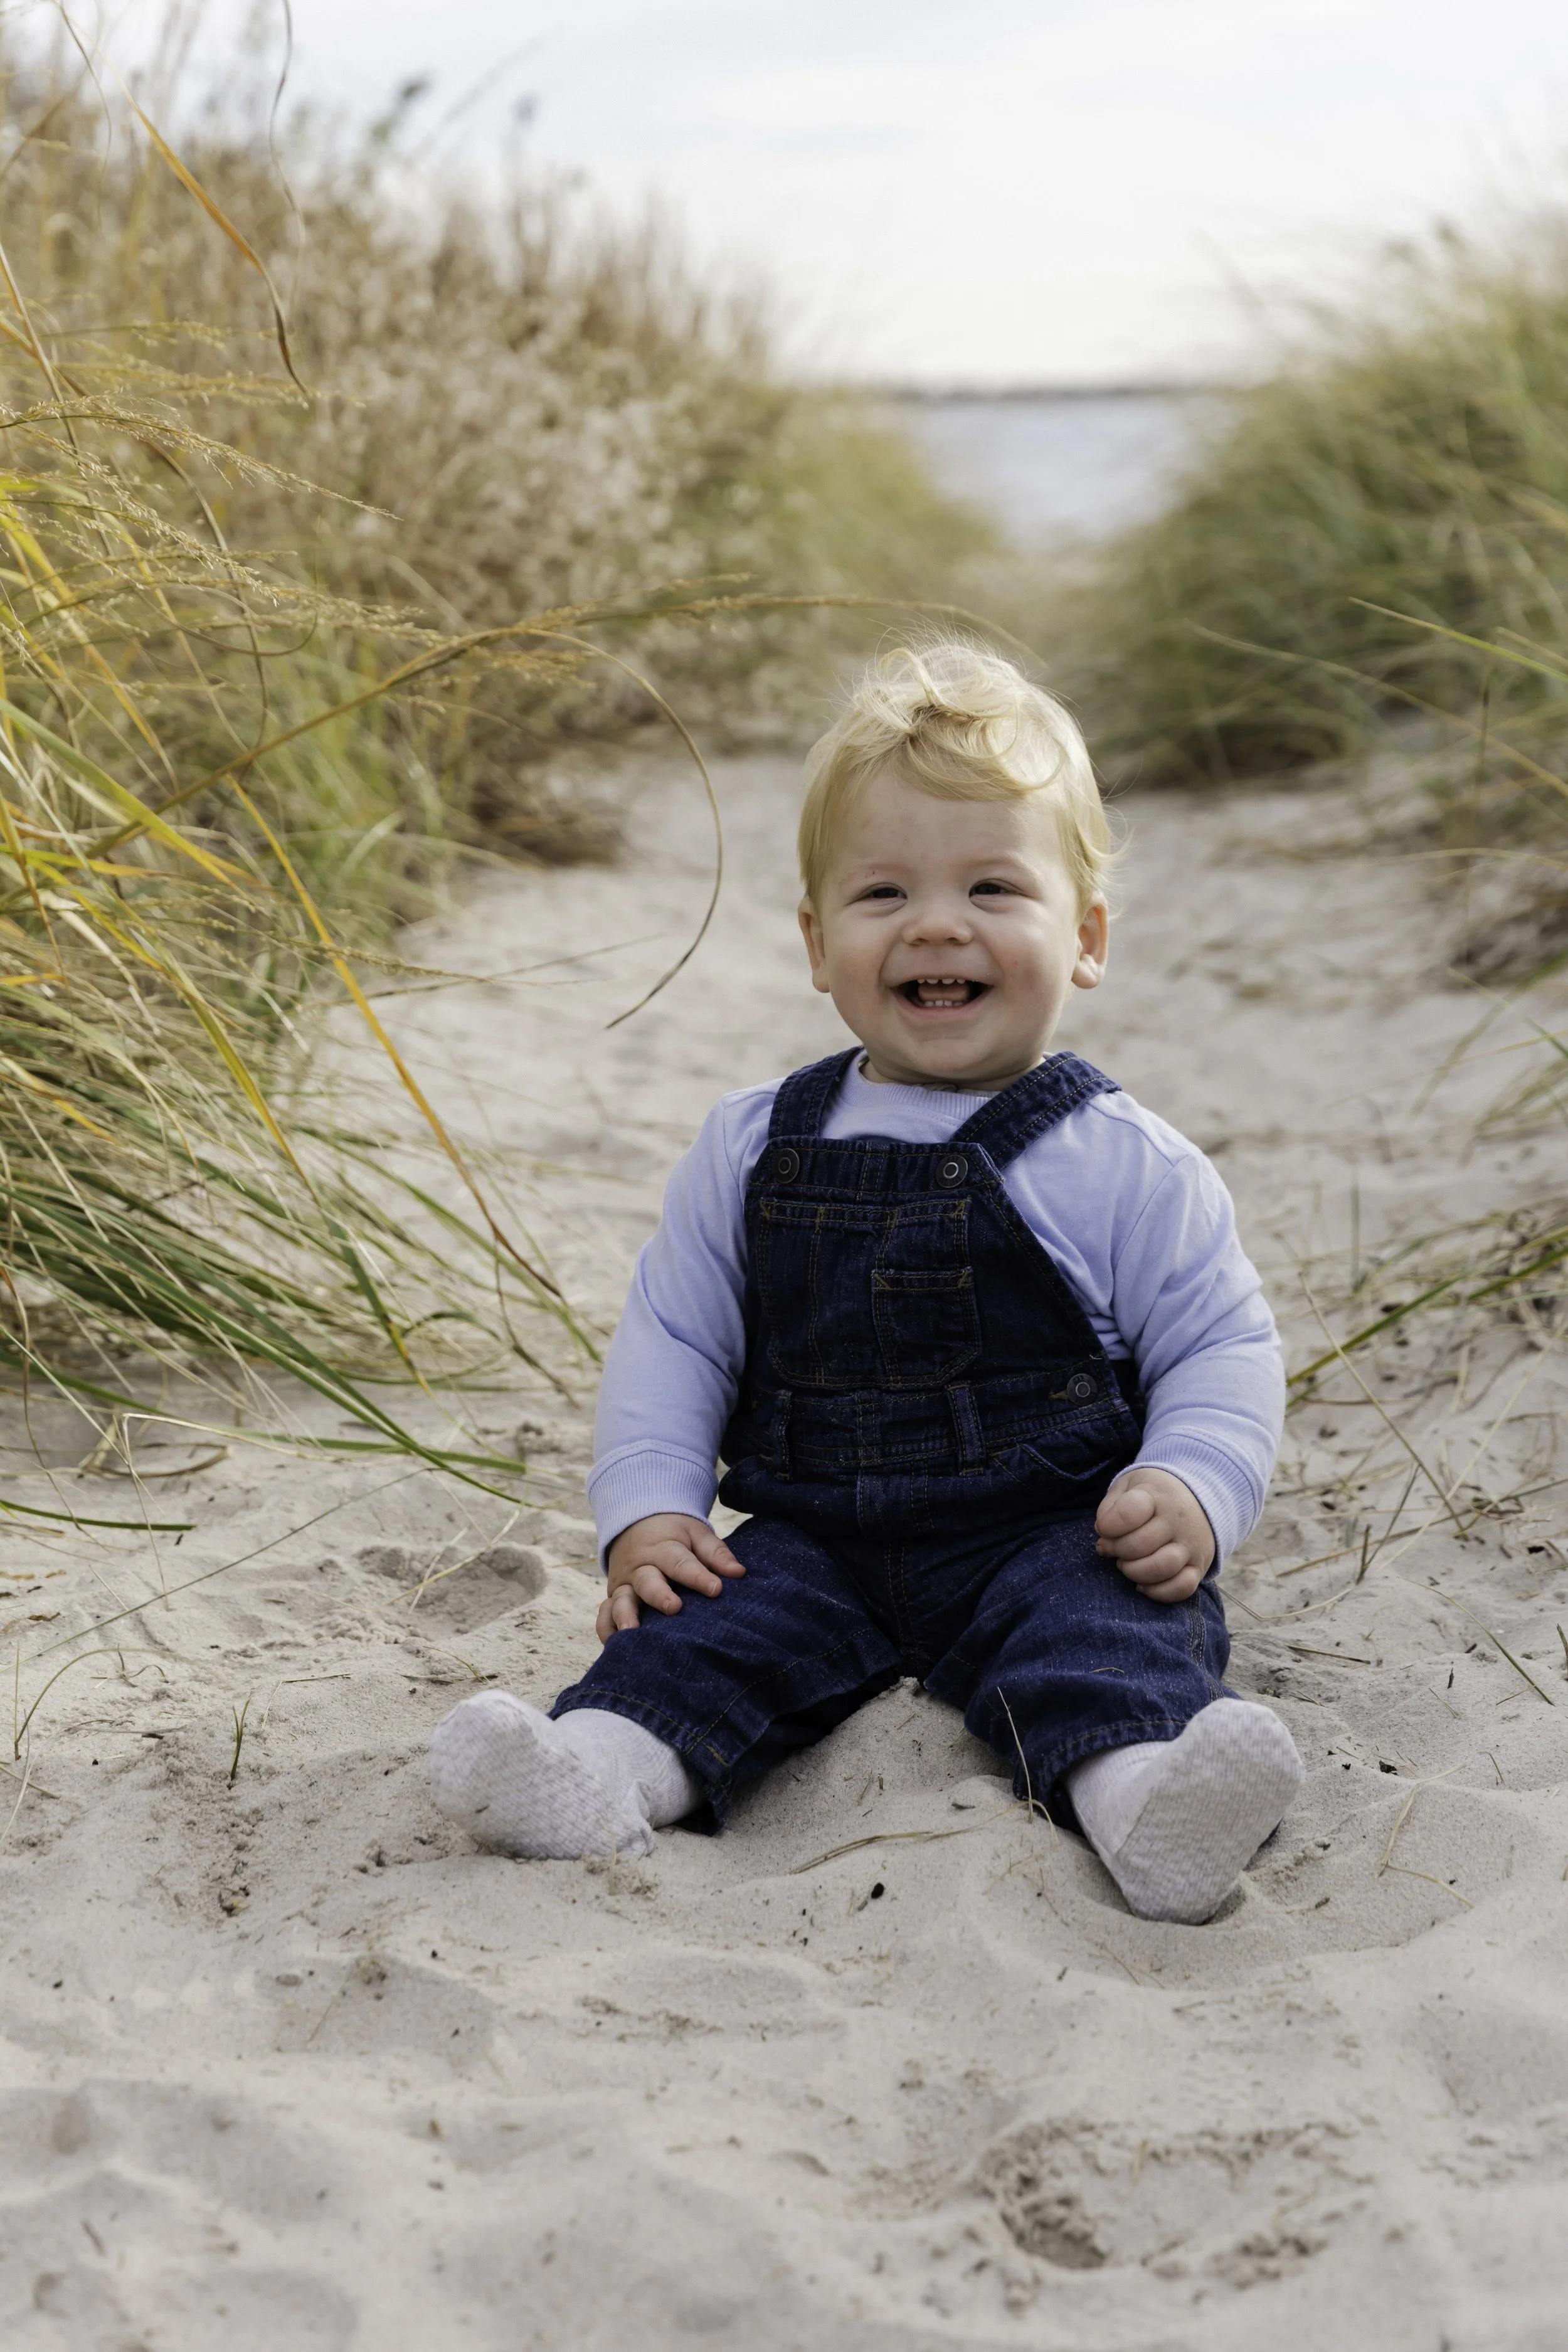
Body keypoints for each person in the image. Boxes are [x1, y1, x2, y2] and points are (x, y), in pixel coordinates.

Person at [429, 640, 1301, 1924]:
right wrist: (649, 1512)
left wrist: (1192, 1484)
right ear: (817, 942)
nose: (936, 924)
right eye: (882, 891)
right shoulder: (751, 1147)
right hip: (812, 1536)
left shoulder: (1121, 1160)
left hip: (1046, 1527)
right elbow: (676, 1340)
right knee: (698, 1645)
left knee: (1100, 1649)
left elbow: (1218, 1343)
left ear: (1086, 937)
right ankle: (592, 1775)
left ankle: (1147, 1805)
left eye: (993, 888)